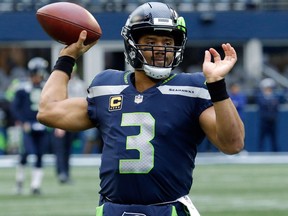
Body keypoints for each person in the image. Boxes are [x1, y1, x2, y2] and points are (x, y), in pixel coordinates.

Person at [37, 2, 244, 215]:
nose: (160, 49)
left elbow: (233, 144)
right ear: (132, 43)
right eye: (150, 41)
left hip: (167, 210)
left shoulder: (191, 88)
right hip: (112, 209)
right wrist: (67, 58)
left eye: (167, 41)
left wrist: (217, 85)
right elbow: (48, 111)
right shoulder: (107, 86)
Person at [12, 57, 49, 195]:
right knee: (25, 153)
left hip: (42, 125)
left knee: (40, 154)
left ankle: (35, 185)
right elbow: (15, 107)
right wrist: (23, 122)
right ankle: (20, 181)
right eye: (38, 73)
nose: (40, 76)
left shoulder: (46, 86)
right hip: (27, 125)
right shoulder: (22, 87)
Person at [52, 64, 86, 184]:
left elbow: (83, 102)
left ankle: (66, 172)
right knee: (60, 149)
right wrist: (58, 124)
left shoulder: (79, 84)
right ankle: (61, 173)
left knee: (68, 149)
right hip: (61, 120)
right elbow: (55, 104)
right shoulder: (59, 85)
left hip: (72, 119)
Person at [256, 78, 280, 152]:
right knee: (262, 137)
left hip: (273, 120)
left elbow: (276, 107)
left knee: (274, 137)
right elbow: (262, 105)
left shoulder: (275, 97)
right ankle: (260, 151)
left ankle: (275, 151)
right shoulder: (261, 97)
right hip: (264, 120)